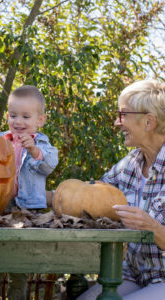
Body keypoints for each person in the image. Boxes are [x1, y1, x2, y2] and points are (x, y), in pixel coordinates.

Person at [76, 79, 165, 299]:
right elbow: (90, 196)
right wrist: (32, 193)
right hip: (134, 274)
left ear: (148, 122)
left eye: (123, 114)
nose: (117, 122)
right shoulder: (130, 164)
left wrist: (153, 228)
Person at [0, 85, 59, 300]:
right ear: (7, 116)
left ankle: (18, 295)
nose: (19, 122)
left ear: (40, 120)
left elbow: (49, 165)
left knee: (20, 257)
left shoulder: (42, 143)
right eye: (14, 115)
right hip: (0, 205)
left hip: (28, 208)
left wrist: (34, 150)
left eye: (26, 116)